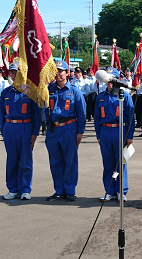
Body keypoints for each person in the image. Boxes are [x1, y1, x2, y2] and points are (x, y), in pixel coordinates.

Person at [0, 63, 41, 200]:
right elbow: (1, 114)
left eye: (17, 72)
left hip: (26, 127)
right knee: (11, 160)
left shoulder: (31, 91)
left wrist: (35, 132)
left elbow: (37, 114)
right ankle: (13, 188)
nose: (14, 75)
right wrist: (3, 131)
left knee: (25, 159)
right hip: (10, 128)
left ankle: (25, 189)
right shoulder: (5, 92)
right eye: (12, 72)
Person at [45, 60, 86, 202]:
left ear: (67, 73)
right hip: (53, 129)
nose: (58, 74)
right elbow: (45, 110)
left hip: (69, 128)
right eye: (55, 72)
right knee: (55, 161)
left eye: (61, 71)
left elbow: (81, 112)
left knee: (70, 161)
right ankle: (59, 190)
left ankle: (70, 190)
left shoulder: (74, 90)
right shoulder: (49, 89)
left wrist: (80, 131)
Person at [94, 68, 135, 202]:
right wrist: (99, 135)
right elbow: (97, 118)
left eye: (112, 79)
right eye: (107, 80)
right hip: (106, 132)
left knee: (121, 163)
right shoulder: (100, 97)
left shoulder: (125, 96)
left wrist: (130, 136)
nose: (109, 83)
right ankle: (109, 191)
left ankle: (121, 191)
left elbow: (130, 118)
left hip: (120, 131)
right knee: (108, 163)